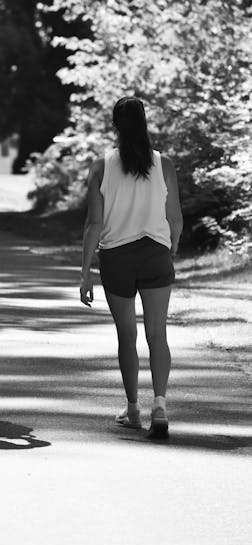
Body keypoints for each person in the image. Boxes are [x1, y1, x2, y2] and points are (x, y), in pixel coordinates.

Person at [80, 97, 183, 438]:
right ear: (144, 122)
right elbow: (175, 218)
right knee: (158, 334)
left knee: (127, 335)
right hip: (155, 253)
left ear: (115, 125)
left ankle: (134, 409)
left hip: (117, 259)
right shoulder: (163, 164)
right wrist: (172, 248)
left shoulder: (101, 166)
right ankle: (161, 405)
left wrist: (85, 272)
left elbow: (94, 224)